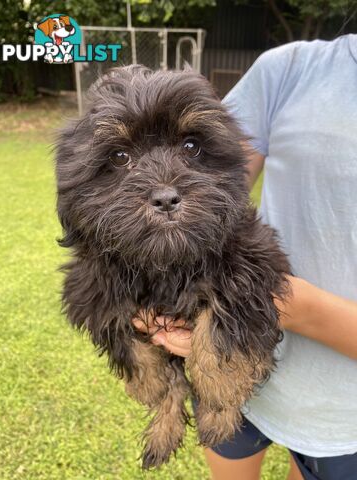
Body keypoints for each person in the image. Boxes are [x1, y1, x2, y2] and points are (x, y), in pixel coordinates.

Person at [134, 34, 357, 479]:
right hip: (222, 358)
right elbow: (217, 179)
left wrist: (275, 302)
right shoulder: (290, 67)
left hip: (343, 412)